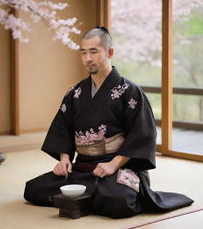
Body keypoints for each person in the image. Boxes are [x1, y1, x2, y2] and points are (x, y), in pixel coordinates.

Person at [24, 26, 193, 218]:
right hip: (83, 168)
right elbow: (62, 127)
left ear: (110, 52)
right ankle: (88, 197)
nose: (88, 59)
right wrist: (64, 159)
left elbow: (142, 134)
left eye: (94, 52)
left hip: (118, 167)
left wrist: (114, 164)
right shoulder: (75, 93)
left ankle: (83, 198)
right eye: (83, 52)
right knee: (33, 189)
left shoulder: (130, 91)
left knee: (120, 201)